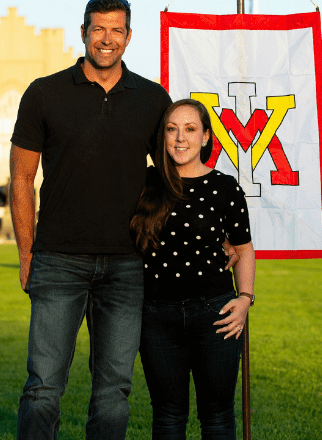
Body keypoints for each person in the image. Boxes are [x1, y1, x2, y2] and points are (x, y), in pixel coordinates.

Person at [10, 0, 173, 440]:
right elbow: (21, 179)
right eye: (98, 29)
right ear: (83, 32)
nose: (106, 39)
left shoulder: (153, 98)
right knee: (43, 387)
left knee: (114, 391)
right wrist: (27, 255)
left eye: (116, 30)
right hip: (58, 259)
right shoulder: (44, 93)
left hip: (126, 264)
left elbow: (176, 171)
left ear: (129, 36)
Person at [130, 98, 256, 439]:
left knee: (217, 417)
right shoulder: (144, 184)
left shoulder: (225, 188)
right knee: (168, 417)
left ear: (205, 137)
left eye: (189, 129)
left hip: (215, 314)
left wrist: (245, 298)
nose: (180, 138)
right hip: (155, 317)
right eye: (171, 130)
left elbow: (244, 249)